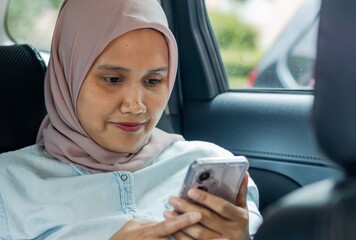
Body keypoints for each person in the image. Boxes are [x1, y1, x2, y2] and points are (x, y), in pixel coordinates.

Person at [0, 0, 262, 239]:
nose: (136, 106)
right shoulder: (9, 184)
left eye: (153, 81)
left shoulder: (212, 166)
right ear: (69, 76)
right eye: (113, 79)